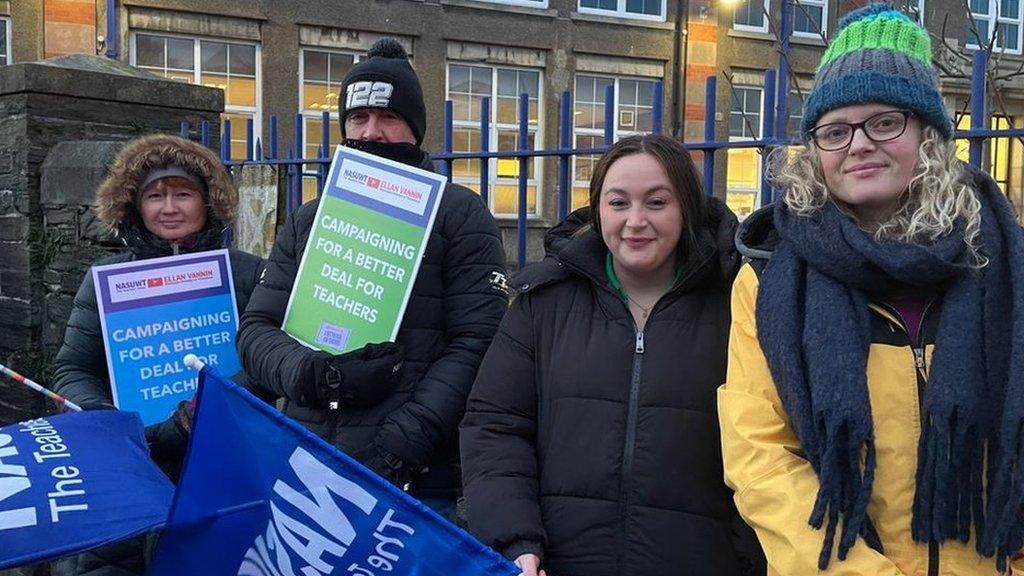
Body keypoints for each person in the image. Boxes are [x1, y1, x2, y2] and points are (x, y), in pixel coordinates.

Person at [718, 4, 1024, 575]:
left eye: (885, 122)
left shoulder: (1004, 262)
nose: (858, 144)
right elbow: (760, 456)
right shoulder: (767, 277)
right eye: (835, 131)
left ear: (928, 135)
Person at [460, 134, 764, 576]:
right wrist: (515, 539)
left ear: (687, 208)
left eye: (657, 203)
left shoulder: (737, 304)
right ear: (598, 209)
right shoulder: (542, 304)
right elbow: (495, 426)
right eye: (618, 203)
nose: (635, 221)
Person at [237, 38, 508, 519]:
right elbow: (257, 332)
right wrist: (312, 373)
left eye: (389, 118)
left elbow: (478, 342)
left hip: (415, 478)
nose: (372, 132)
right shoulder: (308, 220)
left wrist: (403, 442)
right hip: (311, 465)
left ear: (415, 128)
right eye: (358, 118)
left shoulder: (460, 214)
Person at [49, 133, 265, 575]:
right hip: (132, 465)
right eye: (155, 196)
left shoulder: (247, 273)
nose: (169, 208)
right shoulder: (106, 279)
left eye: (183, 194)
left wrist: (210, 406)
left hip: (220, 460)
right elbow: (73, 367)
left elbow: (266, 358)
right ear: (134, 206)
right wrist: (104, 418)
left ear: (208, 202)